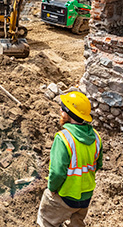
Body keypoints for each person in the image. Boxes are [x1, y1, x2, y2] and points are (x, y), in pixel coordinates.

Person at [37, 90, 103, 227]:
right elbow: (97, 165)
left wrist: (52, 188)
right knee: (77, 223)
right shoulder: (96, 137)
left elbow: (57, 173)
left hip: (66, 196)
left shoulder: (63, 138)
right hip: (86, 197)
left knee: (46, 221)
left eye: (62, 108)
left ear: (66, 113)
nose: (60, 111)